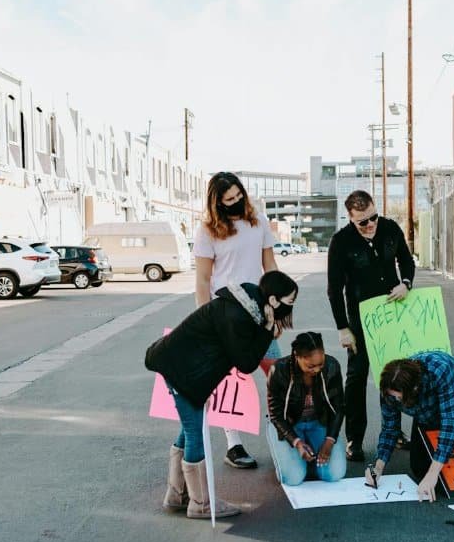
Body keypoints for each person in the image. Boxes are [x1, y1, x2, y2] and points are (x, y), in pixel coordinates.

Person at [145, 270, 298, 519]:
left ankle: (177, 493)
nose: (291, 308)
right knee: (195, 432)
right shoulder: (238, 316)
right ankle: (201, 503)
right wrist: (268, 329)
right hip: (180, 369)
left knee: (189, 428)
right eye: (289, 302)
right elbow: (247, 363)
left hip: (184, 367)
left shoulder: (246, 305)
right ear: (272, 300)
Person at [193, 171, 280, 470]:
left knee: (277, 372)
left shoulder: (258, 221)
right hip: (225, 312)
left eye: (238, 196)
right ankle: (234, 445)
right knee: (229, 380)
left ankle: (282, 432)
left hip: (259, 309)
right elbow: (203, 279)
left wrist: (276, 305)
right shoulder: (208, 231)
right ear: (217, 203)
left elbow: (269, 265)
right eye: (228, 199)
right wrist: (204, 319)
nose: (235, 202)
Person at [326, 190, 415, 462]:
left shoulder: (390, 229)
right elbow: (334, 289)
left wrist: (406, 284)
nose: (370, 224)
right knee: (356, 380)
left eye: (373, 217)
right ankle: (354, 439)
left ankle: (395, 432)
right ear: (351, 219)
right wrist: (343, 328)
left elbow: (407, 262)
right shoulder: (341, 242)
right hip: (360, 320)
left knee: (394, 376)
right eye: (363, 222)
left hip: (392, 316)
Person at [364, 351, 454, 502]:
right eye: (393, 396)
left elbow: (450, 422)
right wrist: (378, 466)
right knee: (419, 467)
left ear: (415, 389)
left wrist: (433, 474)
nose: (396, 400)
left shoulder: (441, 372)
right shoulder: (389, 389)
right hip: (424, 416)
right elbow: (389, 429)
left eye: (399, 397)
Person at [265, 331, 347, 486]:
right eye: (311, 366)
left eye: (320, 364)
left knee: (335, 474)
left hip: (318, 421)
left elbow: (339, 407)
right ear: (297, 356)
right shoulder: (279, 371)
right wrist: (296, 442)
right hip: (289, 424)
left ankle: (306, 459)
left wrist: (330, 440)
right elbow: (275, 414)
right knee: (293, 478)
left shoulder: (332, 366)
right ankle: (288, 456)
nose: (316, 370)